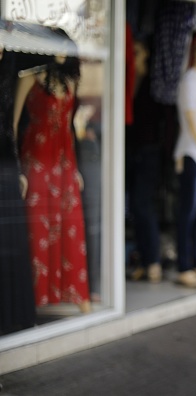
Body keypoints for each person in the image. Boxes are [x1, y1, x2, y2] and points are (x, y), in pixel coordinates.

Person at [12, 33, 91, 313]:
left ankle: (76, 293)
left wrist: (76, 167)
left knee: (70, 225)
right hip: (36, 159)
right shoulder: (30, 78)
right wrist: (15, 167)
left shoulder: (70, 82)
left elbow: (70, 128)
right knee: (39, 226)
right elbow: (13, 124)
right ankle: (35, 296)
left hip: (63, 162)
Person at [0, 44, 36, 334]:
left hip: (6, 166)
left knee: (10, 244)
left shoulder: (11, 60)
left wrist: (16, 165)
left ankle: (11, 318)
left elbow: (8, 124)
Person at [173, 38, 196, 288]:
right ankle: (183, 264)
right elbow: (190, 118)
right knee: (189, 210)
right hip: (192, 152)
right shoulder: (190, 81)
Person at [126, 38, 163, 284]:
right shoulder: (130, 80)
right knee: (135, 207)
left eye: (137, 52)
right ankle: (143, 259)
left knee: (143, 205)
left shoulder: (152, 85)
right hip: (133, 151)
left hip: (149, 152)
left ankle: (153, 261)